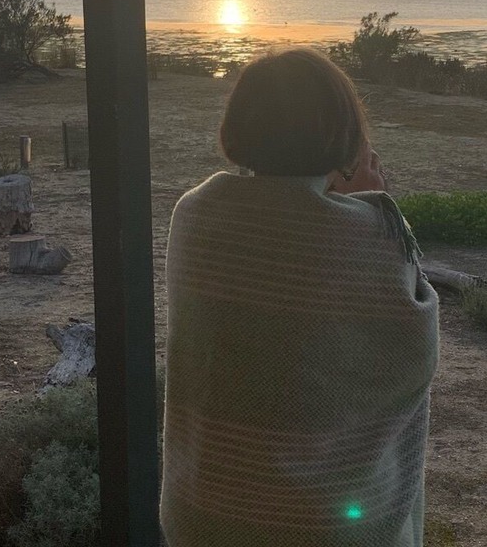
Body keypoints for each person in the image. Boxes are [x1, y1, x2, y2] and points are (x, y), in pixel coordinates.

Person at [160, 47, 439, 547]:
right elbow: (412, 346)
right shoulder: (370, 232)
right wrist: (370, 203)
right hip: (322, 528)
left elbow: (283, 224)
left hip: (204, 510)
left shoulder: (195, 214)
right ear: (342, 132)